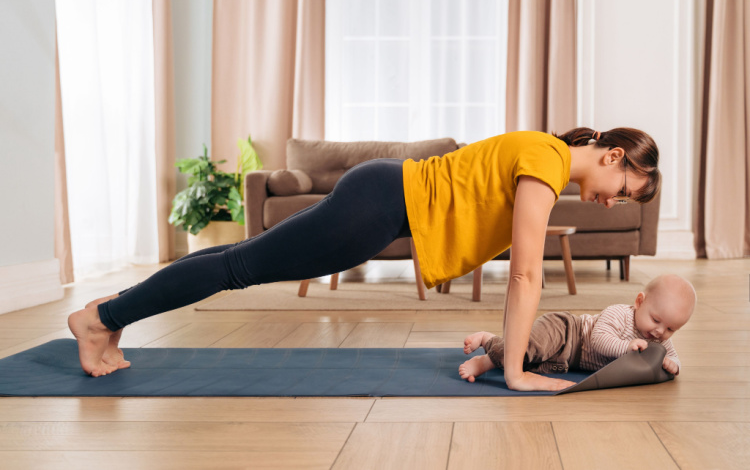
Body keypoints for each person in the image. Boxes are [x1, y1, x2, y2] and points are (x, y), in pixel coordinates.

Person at [68, 127, 661, 391]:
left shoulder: (547, 154)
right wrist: (514, 371)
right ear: (613, 156)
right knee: (238, 269)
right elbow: (527, 272)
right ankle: (100, 320)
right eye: (626, 190)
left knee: (241, 260)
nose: (615, 202)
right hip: (377, 206)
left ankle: (111, 315)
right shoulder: (548, 162)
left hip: (380, 196)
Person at [458, 274, 696, 382]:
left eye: (670, 329)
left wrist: (673, 365)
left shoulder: (659, 339)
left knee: (531, 365)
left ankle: (489, 350)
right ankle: (488, 349)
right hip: (567, 332)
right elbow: (598, 340)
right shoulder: (620, 314)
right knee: (530, 348)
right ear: (639, 302)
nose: (659, 332)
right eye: (656, 321)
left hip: (569, 361)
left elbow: (673, 358)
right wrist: (626, 346)